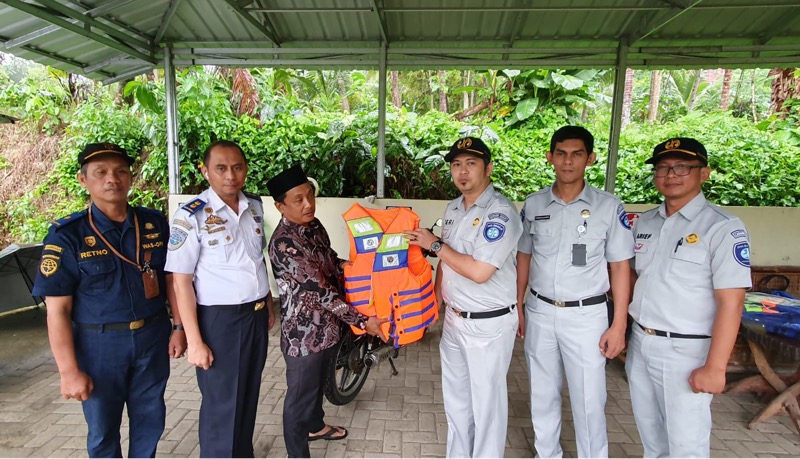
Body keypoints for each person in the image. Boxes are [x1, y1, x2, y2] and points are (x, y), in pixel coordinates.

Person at [31, 142, 186, 458]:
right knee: (103, 431)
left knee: (150, 421)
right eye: (100, 173)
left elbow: (171, 279)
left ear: (130, 177)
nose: (112, 179)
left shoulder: (153, 223)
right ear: (83, 180)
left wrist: (179, 326)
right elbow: (57, 310)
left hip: (151, 339)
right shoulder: (67, 236)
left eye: (120, 171)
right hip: (99, 347)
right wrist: (68, 371)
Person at [626, 137, 751, 457]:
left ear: (704, 173)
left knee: (686, 445)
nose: (670, 174)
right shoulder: (647, 222)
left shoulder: (722, 227)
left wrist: (716, 367)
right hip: (642, 342)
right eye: (663, 168)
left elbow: (731, 302)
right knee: (651, 439)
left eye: (682, 167)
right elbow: (637, 276)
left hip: (686, 349)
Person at [515, 126, 633, 458]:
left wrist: (619, 324)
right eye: (562, 153)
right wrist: (519, 306)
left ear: (590, 159)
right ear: (550, 157)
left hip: (587, 315)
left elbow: (620, 267)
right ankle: (546, 453)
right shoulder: (535, 203)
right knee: (542, 392)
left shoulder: (608, 206)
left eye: (577, 154)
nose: (568, 161)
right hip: (539, 309)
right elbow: (524, 256)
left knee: (589, 399)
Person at [406, 137, 522, 458]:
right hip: (455, 322)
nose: (462, 171)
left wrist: (434, 245)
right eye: (456, 164)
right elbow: (447, 262)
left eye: (471, 163)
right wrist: (433, 305)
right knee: (457, 400)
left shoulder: (500, 212)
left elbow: (480, 271)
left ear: (489, 168)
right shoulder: (454, 208)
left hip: (488, 325)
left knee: (487, 407)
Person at [266, 165, 386, 458]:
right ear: (280, 205)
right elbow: (321, 292)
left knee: (319, 384)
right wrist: (363, 322)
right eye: (298, 200)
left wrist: (358, 269)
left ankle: (316, 426)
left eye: (310, 196)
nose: (308, 204)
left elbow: (329, 260)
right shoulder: (285, 244)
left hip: (329, 327)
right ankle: (298, 453)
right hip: (303, 335)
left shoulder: (314, 225)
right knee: (298, 398)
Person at [165, 140, 275, 458]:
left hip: (254, 316)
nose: (231, 175)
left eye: (237, 167)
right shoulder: (191, 216)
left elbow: (255, 259)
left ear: (245, 169)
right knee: (222, 405)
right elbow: (180, 282)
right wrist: (194, 340)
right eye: (221, 168)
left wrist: (266, 303)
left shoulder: (254, 205)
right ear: (206, 171)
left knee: (246, 396)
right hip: (219, 321)